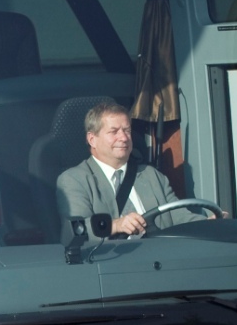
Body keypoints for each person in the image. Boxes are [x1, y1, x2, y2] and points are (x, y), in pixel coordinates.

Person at [55, 99, 175, 240]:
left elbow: (181, 216)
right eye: (114, 132)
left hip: (162, 251)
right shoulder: (74, 180)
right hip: (110, 254)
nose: (124, 138)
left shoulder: (151, 175)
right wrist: (116, 225)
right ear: (92, 139)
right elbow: (77, 229)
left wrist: (200, 223)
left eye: (127, 131)